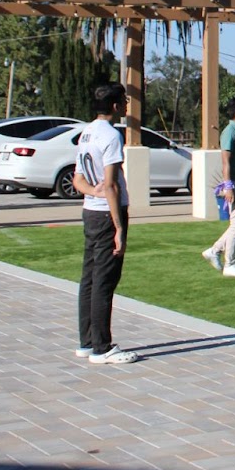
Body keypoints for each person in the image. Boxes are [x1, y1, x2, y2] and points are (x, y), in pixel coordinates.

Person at [73, 83, 139, 364]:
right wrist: (119, 228)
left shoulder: (86, 133)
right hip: (105, 216)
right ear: (114, 105)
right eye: (123, 101)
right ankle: (102, 346)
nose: (126, 105)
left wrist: (92, 191)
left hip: (90, 212)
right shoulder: (111, 135)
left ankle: (87, 341)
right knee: (104, 280)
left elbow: (78, 180)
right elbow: (110, 185)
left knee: (89, 278)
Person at [202, 96, 235, 278]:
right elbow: (226, 161)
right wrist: (228, 186)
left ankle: (214, 250)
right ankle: (229, 264)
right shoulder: (230, 131)